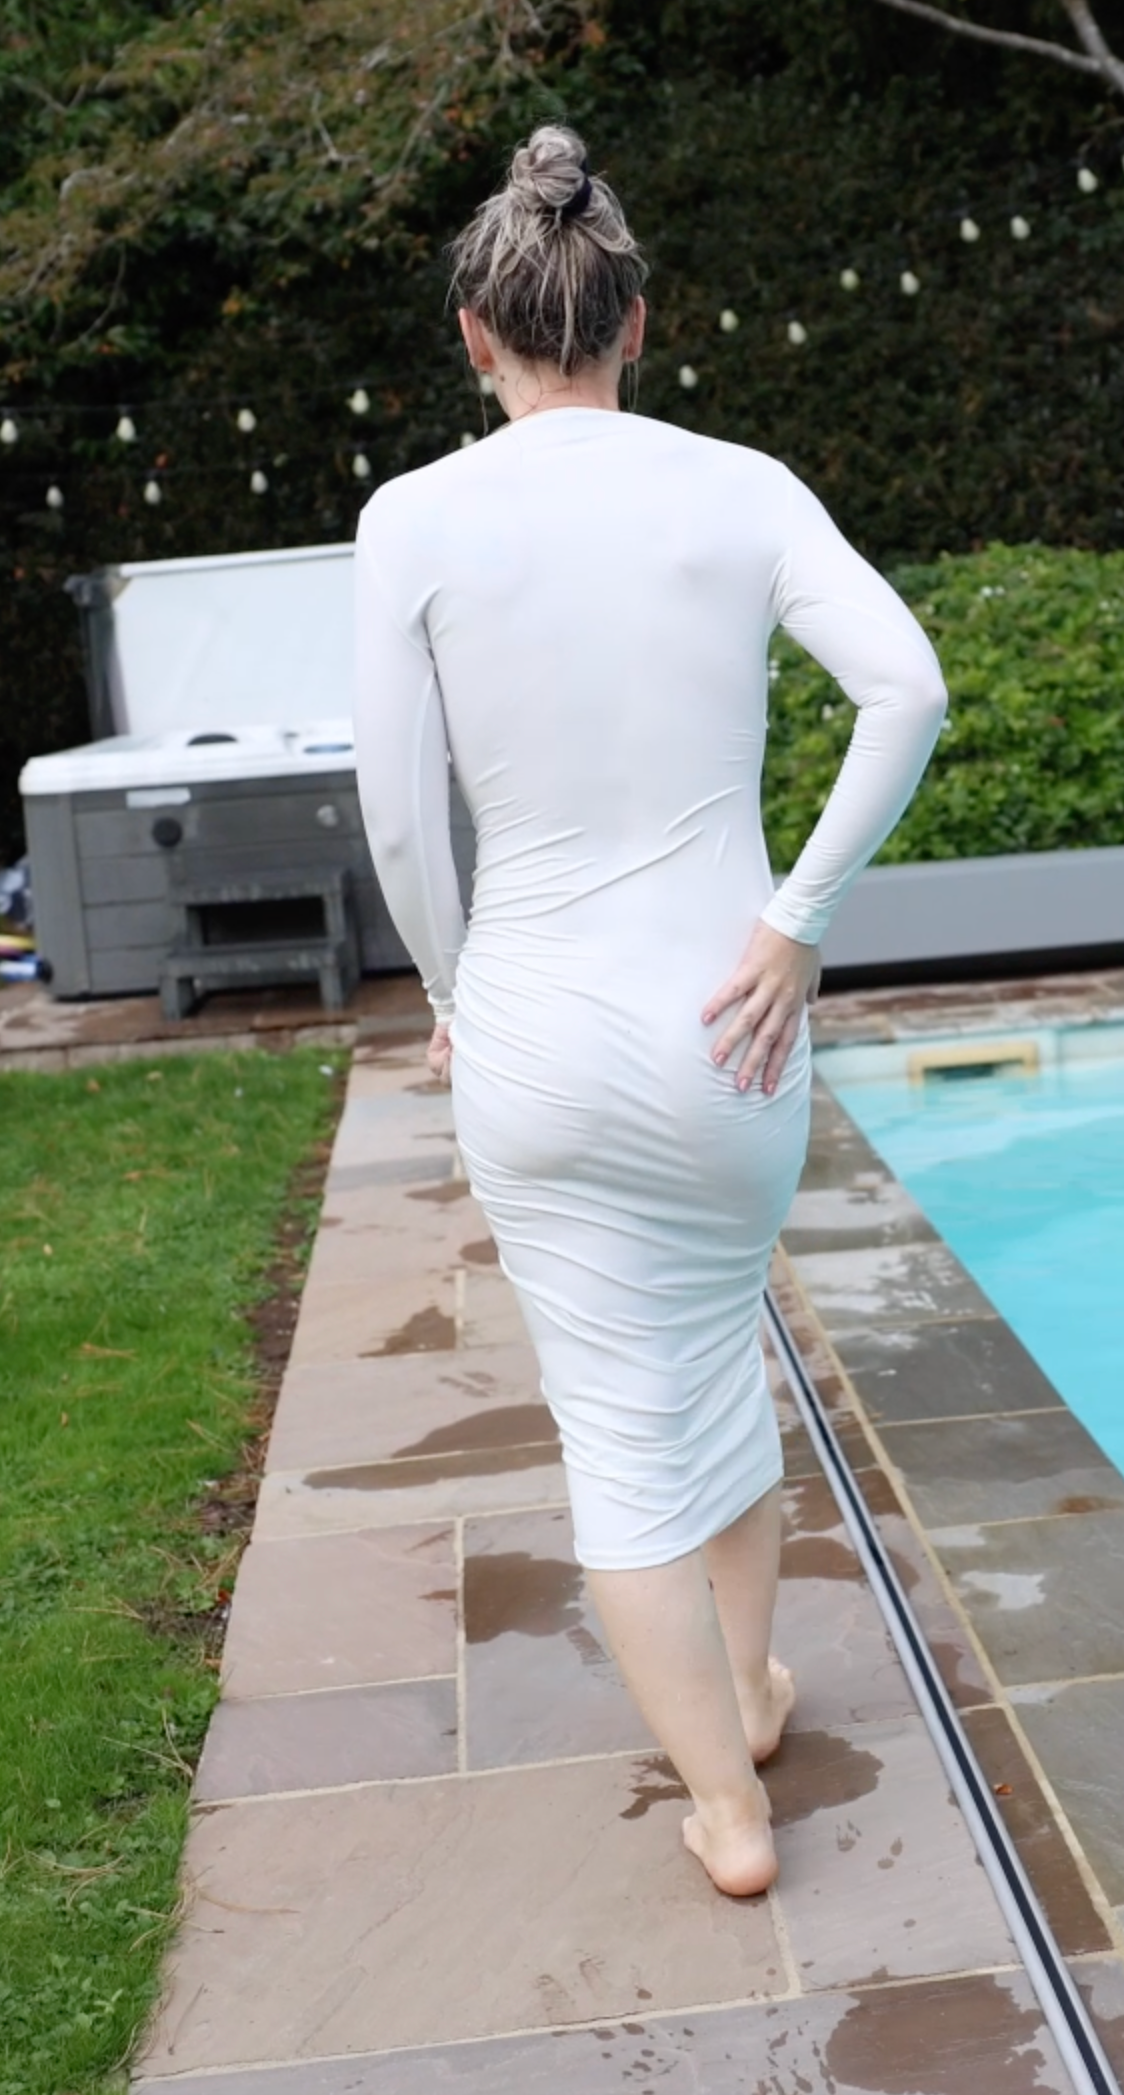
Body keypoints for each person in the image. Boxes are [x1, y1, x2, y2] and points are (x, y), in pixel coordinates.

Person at [351, 125, 948, 1899]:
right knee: (717, 1352)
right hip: (725, 1028)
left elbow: (402, 820)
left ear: (476, 334)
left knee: (619, 1420)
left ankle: (726, 1805)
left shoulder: (411, 519)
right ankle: (745, 1693)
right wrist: (797, 921)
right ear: (635, 320)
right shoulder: (740, 488)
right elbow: (907, 689)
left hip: (532, 1030)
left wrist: (450, 990)